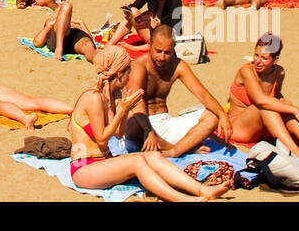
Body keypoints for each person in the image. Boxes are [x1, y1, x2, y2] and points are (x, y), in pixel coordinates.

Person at [67, 47, 231, 201]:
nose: (130, 74)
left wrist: (124, 110)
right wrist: (123, 111)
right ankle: (185, 199)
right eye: (128, 70)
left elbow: (118, 133)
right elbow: (102, 139)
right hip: (84, 168)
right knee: (137, 161)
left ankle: (202, 190)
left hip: (103, 161)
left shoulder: (112, 95)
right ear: (119, 74)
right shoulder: (94, 98)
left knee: (152, 156)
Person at [122, 25, 231, 157]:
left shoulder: (177, 65)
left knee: (212, 116)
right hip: (143, 125)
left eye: (167, 53)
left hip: (166, 123)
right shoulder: (139, 66)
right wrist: (148, 130)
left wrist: (222, 115)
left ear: (173, 48)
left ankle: (174, 151)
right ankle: (183, 148)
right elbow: (136, 100)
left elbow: (201, 93)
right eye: (158, 51)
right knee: (133, 123)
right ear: (150, 44)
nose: (162, 57)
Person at [226, 34, 299, 162]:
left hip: (264, 128)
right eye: (256, 55)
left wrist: (289, 106)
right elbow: (260, 100)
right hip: (240, 127)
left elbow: (277, 97)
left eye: (264, 58)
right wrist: (295, 110)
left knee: (285, 105)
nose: (258, 61)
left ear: (275, 59)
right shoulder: (246, 71)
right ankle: (295, 150)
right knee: (266, 107)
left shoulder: (279, 72)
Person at [110, 0, 183, 46]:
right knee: (132, 12)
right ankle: (111, 43)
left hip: (164, 37)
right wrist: (127, 8)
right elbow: (135, 6)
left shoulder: (175, 0)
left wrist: (161, 26)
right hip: (150, 32)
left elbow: (177, 29)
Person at [32, 0, 98, 61]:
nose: (52, 18)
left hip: (75, 38)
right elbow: (37, 43)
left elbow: (90, 39)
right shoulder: (50, 26)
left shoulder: (74, 24)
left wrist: (81, 23)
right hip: (58, 39)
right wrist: (48, 25)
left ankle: (100, 62)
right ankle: (59, 47)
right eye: (51, 19)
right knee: (67, 5)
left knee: (88, 45)